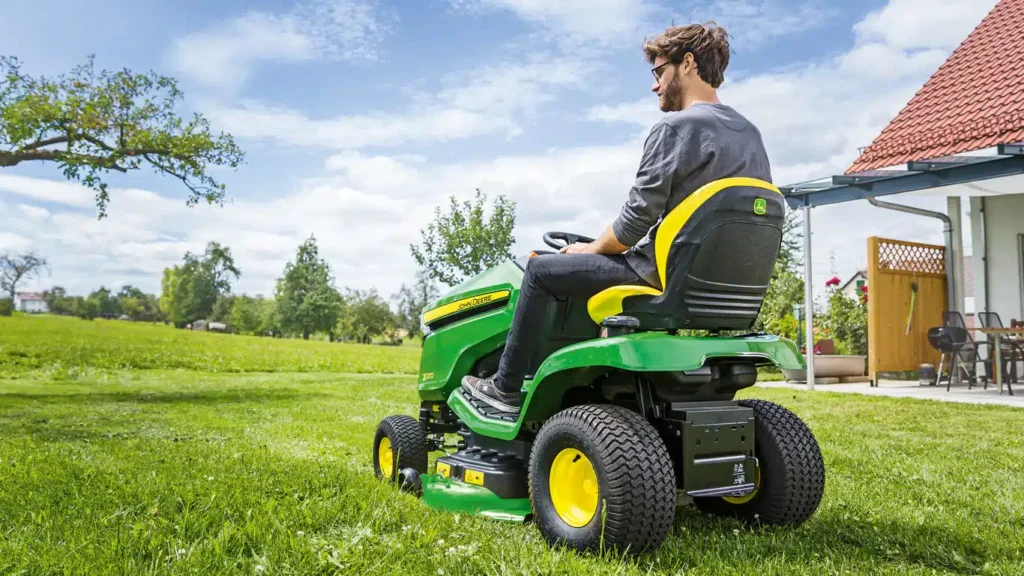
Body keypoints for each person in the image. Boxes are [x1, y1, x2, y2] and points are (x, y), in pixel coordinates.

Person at [461, 22, 773, 413]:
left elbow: (633, 224)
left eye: (659, 72)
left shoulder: (676, 129)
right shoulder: (751, 134)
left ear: (688, 63)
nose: (655, 85)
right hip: (719, 285)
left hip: (660, 274)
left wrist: (589, 248)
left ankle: (504, 388)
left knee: (541, 271)